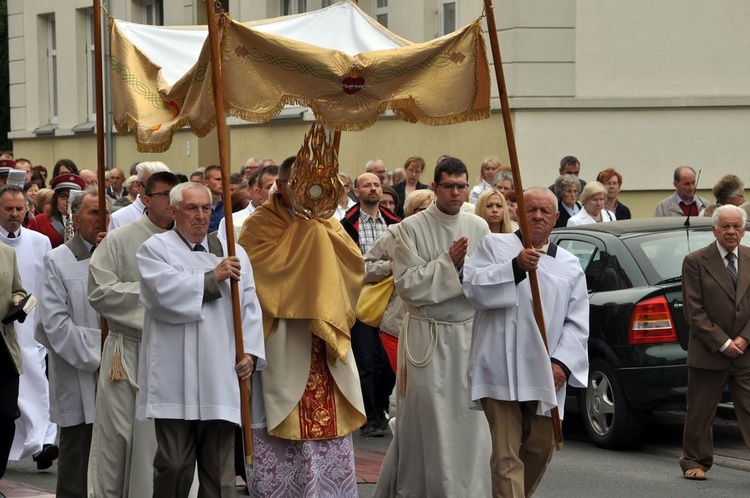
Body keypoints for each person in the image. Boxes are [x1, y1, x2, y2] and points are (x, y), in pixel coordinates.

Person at [240, 154, 366, 496]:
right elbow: (262, 277)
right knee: (281, 430)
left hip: (323, 345)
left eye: (316, 183)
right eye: (300, 184)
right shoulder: (260, 224)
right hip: (282, 339)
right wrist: (309, 238)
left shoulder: (327, 221)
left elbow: (353, 265)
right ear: (280, 186)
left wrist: (317, 231)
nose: (310, 192)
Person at [135, 182, 265, 496]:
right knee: (174, 463)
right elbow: (161, 296)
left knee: (220, 469)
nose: (200, 216)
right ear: (174, 211)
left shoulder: (232, 251)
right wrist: (212, 278)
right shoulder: (155, 249)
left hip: (219, 371)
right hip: (174, 375)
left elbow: (249, 307)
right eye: (192, 208)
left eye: (206, 208)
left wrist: (249, 353)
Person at [375, 157, 492, 498]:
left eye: (461, 186)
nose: (456, 193)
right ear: (435, 188)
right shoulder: (409, 229)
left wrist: (465, 272)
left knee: (470, 421)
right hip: (426, 337)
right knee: (432, 422)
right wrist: (447, 263)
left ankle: (468, 490)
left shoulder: (479, 227)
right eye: (449, 186)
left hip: (467, 335)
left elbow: (488, 279)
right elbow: (407, 284)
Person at [463, 186, 589, 497]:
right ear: (518, 212)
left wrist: (562, 363)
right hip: (500, 366)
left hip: (544, 370)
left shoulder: (570, 265)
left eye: (545, 211)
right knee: (506, 454)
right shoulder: (494, 246)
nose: (537, 216)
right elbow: (474, 289)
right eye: (531, 209)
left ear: (556, 218)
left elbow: (578, 322)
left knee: (539, 447)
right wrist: (515, 267)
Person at [87, 171, 181, 497]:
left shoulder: (192, 243)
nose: (173, 202)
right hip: (126, 351)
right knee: (116, 441)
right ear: (146, 199)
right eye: (166, 195)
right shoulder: (119, 239)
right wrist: (158, 295)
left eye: (177, 194)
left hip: (173, 353)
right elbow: (99, 291)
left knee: (163, 442)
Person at [34, 188, 108, 496]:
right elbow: (53, 324)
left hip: (120, 368)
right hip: (79, 369)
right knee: (78, 453)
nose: (102, 220)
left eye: (106, 213)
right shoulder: (58, 260)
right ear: (75, 219)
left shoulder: (122, 256)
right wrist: (103, 349)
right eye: (93, 213)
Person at [679, 204, 750, 481]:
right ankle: (694, 461)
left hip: (745, 352)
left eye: (736, 227)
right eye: (725, 226)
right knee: (700, 410)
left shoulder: (749, 257)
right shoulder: (696, 261)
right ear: (714, 229)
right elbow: (693, 311)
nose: (731, 232)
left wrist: (744, 338)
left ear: (743, 231)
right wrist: (723, 343)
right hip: (709, 351)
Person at [0, 185, 58, 469]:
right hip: (4, 328)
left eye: (19, 209)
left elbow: (44, 284)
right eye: (8, 208)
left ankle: (42, 442)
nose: (14, 214)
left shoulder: (40, 241)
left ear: (27, 210)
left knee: (37, 383)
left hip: (31, 322)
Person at [342, 172, 401, 437]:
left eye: (377, 185)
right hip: (360, 301)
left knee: (387, 362)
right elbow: (352, 268)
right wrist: (387, 267)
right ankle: (369, 416)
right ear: (356, 191)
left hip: (391, 299)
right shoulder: (345, 225)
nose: (374, 189)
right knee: (365, 359)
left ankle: (380, 407)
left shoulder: (395, 224)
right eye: (367, 185)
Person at [363, 189, 436, 377]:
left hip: (434, 322)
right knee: (405, 383)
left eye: (431, 209)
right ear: (410, 211)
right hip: (397, 323)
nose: (426, 214)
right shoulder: (394, 234)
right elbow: (361, 268)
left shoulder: (441, 235)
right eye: (421, 210)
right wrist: (389, 266)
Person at [0, 244, 25, 480]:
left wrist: (18, 298)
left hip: (4, 350)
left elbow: (18, 289)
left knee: (7, 415)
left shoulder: (7, 253)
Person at [109, 161, 169, 231]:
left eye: (165, 192)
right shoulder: (118, 218)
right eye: (152, 187)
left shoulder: (175, 216)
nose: (159, 195)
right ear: (138, 185)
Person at [34, 173, 86, 248]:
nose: (68, 200)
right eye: (64, 196)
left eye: (73, 197)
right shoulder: (38, 221)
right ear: (55, 199)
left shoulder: (86, 220)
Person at [202, 165, 224, 233]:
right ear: (206, 182)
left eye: (224, 179)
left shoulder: (230, 205)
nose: (222, 182)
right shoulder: (199, 205)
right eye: (218, 179)